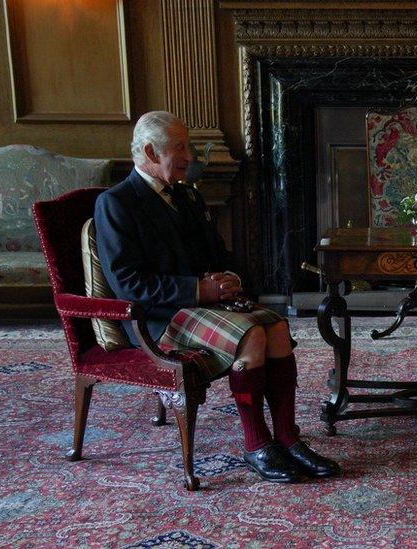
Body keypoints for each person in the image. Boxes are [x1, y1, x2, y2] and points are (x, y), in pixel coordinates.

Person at [94, 111, 340, 484]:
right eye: (180, 147)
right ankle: (257, 444)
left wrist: (230, 279)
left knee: (275, 326)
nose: (189, 156)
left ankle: (288, 439)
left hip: (205, 308)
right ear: (149, 151)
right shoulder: (117, 203)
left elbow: (219, 254)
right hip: (159, 319)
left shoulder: (185, 196)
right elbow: (128, 283)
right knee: (252, 335)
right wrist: (199, 289)